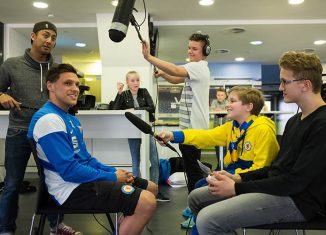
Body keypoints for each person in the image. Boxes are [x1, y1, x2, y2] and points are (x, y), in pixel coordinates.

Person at [185, 51, 326, 235]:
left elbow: (295, 182)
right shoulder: (294, 121)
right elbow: (277, 168)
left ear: (305, 85)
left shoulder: (322, 124)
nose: (280, 86)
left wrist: (236, 188)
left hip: (300, 201)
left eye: (285, 81)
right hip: (283, 190)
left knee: (207, 220)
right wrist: (239, 178)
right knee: (196, 198)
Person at [27, 63, 158, 235]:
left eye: (77, 84)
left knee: (151, 187)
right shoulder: (49, 120)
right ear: (50, 86)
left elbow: (86, 159)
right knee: (146, 201)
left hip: (81, 181)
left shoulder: (70, 118)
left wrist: (113, 171)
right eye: (68, 83)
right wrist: (112, 176)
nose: (75, 89)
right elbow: (69, 171)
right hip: (68, 189)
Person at [157, 86, 279, 230]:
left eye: (232, 101)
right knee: (200, 184)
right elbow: (206, 136)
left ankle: (203, 225)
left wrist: (232, 178)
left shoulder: (262, 130)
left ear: (249, 106)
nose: (227, 104)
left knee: (202, 189)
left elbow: (261, 170)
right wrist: (173, 135)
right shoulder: (232, 127)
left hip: (251, 182)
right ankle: (202, 224)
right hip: (235, 173)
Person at [0, 21, 80, 235]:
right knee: (12, 184)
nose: (49, 41)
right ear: (33, 36)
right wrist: (2, 95)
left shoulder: (56, 70)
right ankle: (5, 229)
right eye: (46, 35)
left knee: (54, 180)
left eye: (53, 37)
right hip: (18, 130)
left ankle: (56, 226)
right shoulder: (11, 64)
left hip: (49, 133)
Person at [142, 33, 211, 194]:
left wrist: (149, 57)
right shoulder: (197, 70)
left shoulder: (198, 66)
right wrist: (163, 74)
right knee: (192, 170)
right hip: (190, 129)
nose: (190, 51)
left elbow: (174, 69)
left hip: (193, 130)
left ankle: (195, 207)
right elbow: (175, 78)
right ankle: (195, 204)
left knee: (193, 172)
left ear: (205, 51)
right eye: (189, 48)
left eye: (195, 49)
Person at [112, 71, 169, 202]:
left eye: (137, 80)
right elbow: (115, 109)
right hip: (131, 131)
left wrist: (135, 110)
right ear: (127, 82)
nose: (136, 83)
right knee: (135, 162)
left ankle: (155, 190)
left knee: (154, 160)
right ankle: (137, 191)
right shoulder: (124, 94)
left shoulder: (144, 92)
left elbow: (151, 107)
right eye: (132, 80)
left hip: (146, 130)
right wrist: (119, 93)